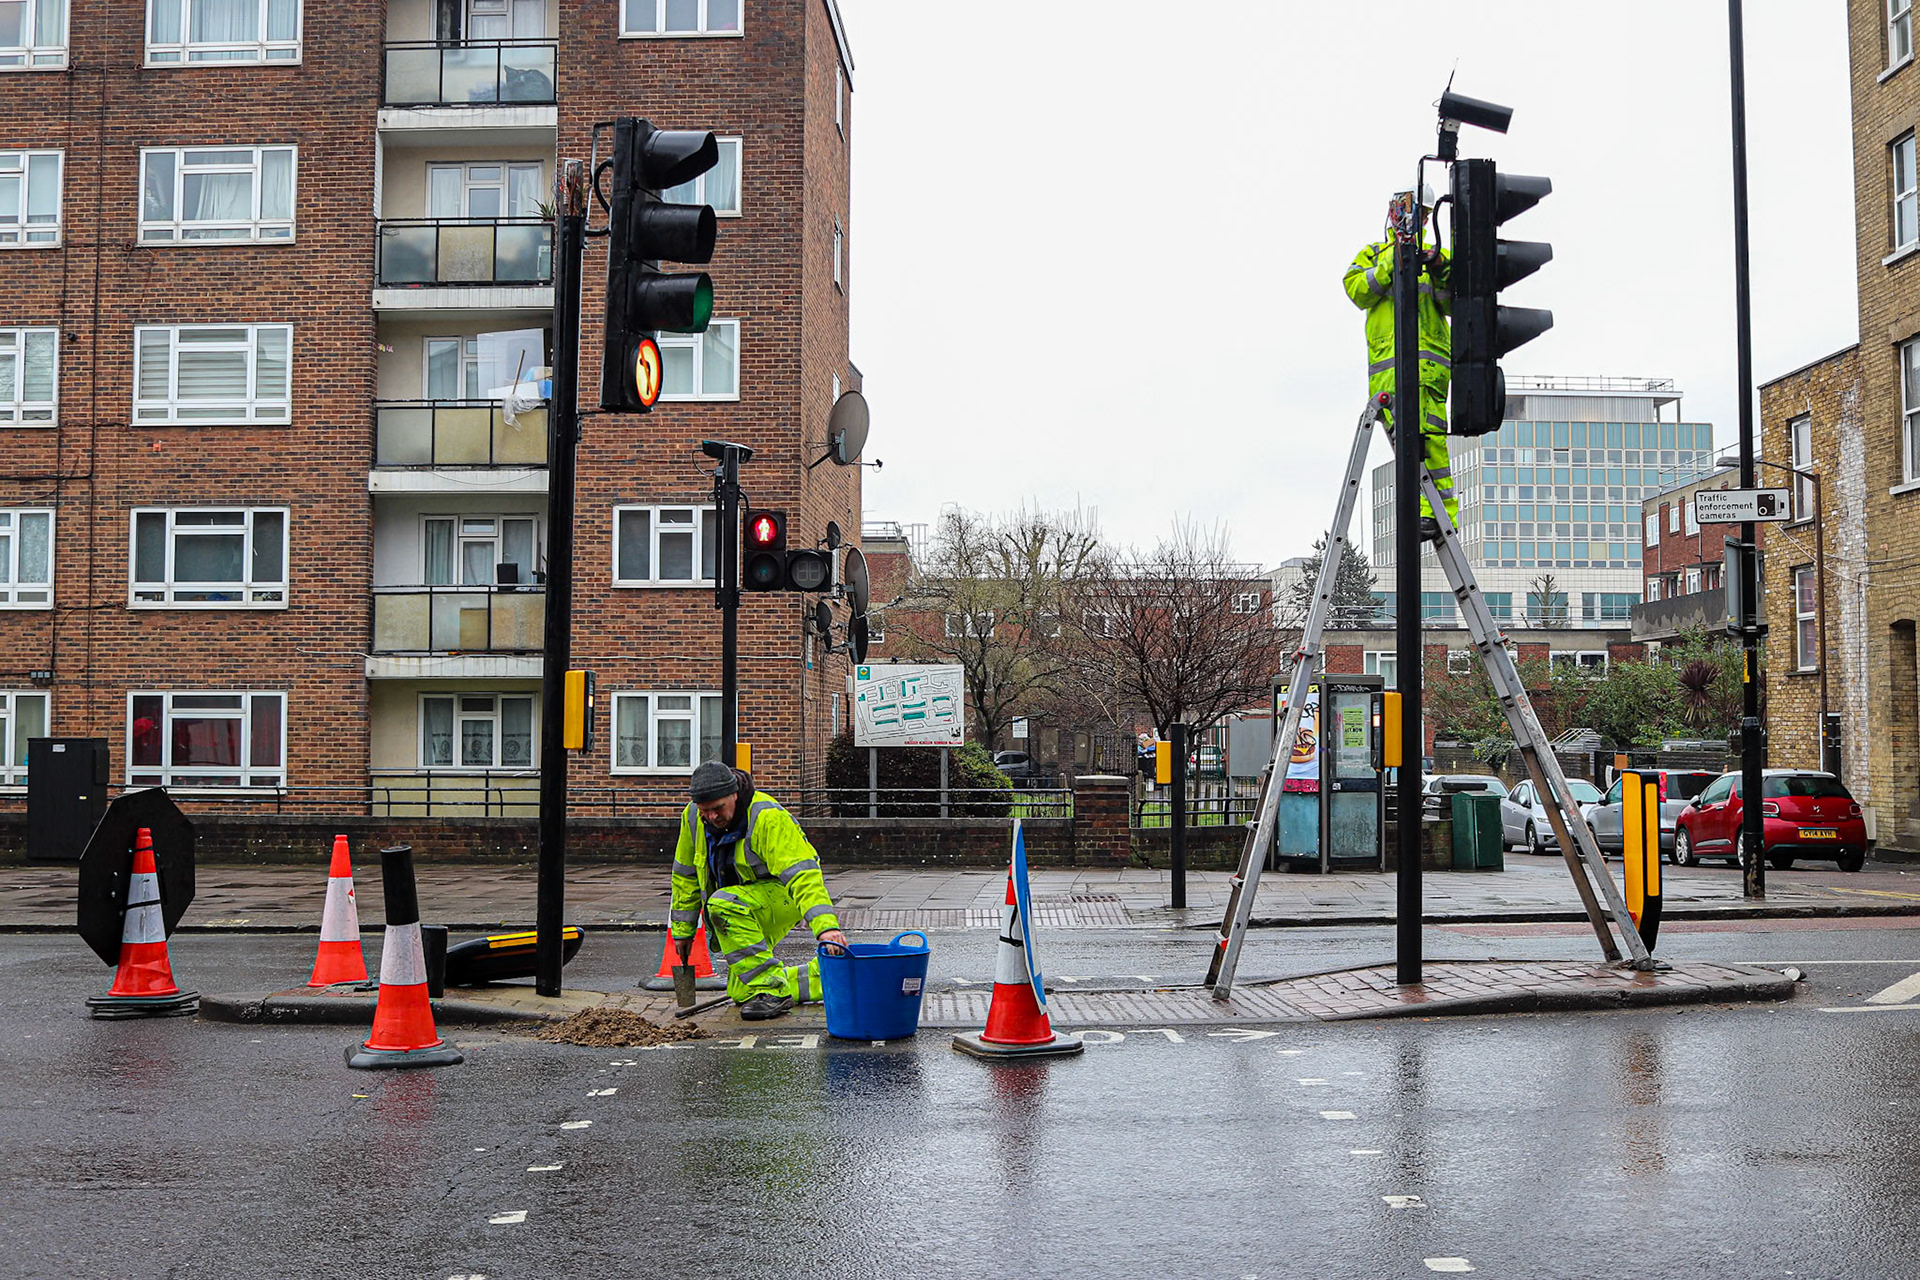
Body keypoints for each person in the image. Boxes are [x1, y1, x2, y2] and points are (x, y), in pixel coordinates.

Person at [671, 760, 850, 1021]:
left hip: (781, 898)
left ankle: (772, 989)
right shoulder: (691, 817)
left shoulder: (767, 817)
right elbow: (685, 876)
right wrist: (683, 931)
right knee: (743, 990)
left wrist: (826, 927)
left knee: (722, 904)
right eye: (704, 811)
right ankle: (832, 978)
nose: (711, 817)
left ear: (734, 794)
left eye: (718, 808)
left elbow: (803, 875)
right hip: (741, 904)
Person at [1343, 184, 1455, 539]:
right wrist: (1392, 260)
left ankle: (1438, 514)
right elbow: (1357, 290)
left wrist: (1435, 264)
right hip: (1389, 376)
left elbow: (1454, 301)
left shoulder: (1437, 257)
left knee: (1430, 444)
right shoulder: (1373, 254)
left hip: (1426, 373)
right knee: (1406, 452)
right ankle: (1423, 511)